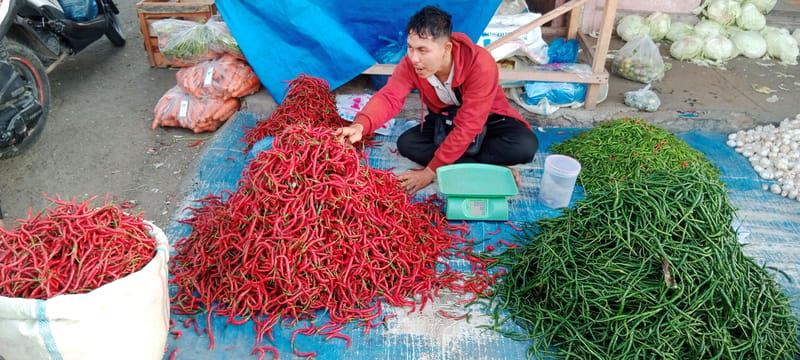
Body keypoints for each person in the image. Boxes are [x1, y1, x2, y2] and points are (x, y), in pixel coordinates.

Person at [338, 5, 538, 193]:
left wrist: (430, 172)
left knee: (524, 146)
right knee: (408, 144)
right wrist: (360, 126)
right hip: (446, 121)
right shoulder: (411, 65)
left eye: (423, 50)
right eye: (410, 48)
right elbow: (390, 97)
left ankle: (459, 165)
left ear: (447, 49)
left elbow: (470, 124)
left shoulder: (479, 63)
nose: (414, 58)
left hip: (489, 120)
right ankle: (491, 170)